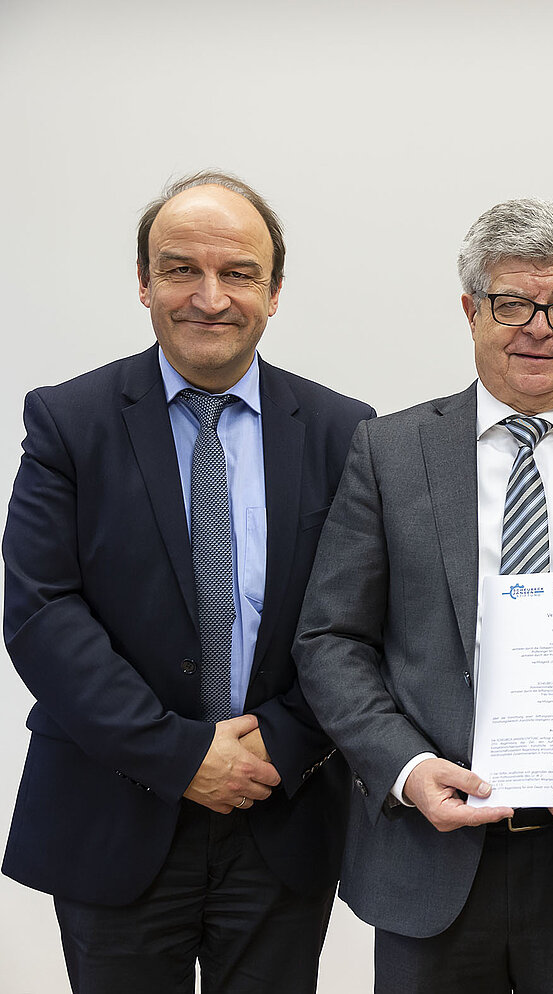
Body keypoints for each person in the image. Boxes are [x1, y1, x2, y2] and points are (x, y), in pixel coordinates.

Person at [293, 197, 553, 993]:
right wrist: (407, 766)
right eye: (512, 303)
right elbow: (331, 639)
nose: (539, 327)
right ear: (470, 310)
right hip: (431, 850)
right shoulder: (389, 451)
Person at [2, 171, 374, 993]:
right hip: (112, 808)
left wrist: (275, 746)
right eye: (180, 269)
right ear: (143, 283)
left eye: (238, 273)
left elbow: (360, 619)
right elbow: (42, 614)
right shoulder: (69, 422)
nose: (210, 297)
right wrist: (179, 756)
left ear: (275, 292)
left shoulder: (347, 433)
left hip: (279, 810)